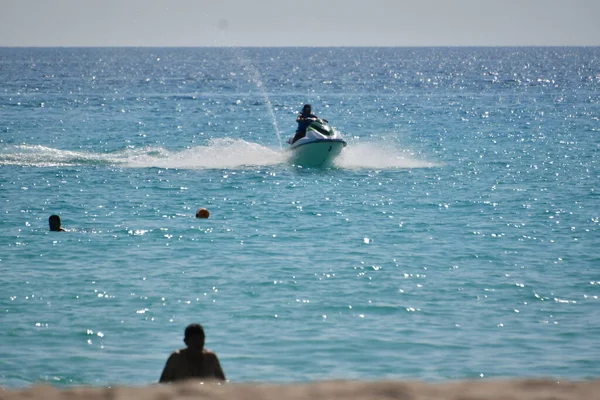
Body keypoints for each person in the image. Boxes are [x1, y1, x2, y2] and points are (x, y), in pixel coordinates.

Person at [159, 323, 226, 383]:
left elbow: (223, 382)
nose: (199, 344)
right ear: (186, 342)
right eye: (194, 340)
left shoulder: (211, 358)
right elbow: (162, 384)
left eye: (201, 339)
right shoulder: (176, 358)